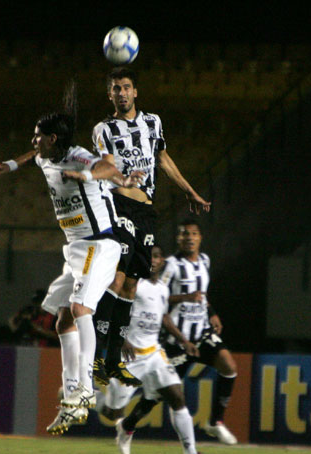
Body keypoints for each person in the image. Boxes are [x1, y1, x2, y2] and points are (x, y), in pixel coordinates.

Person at [0, 83, 143, 435]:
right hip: (74, 250)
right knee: (61, 321)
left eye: (38, 136)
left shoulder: (80, 157)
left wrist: (86, 175)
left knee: (80, 309)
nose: (33, 141)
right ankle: (73, 394)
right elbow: (32, 158)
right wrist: (8, 165)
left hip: (100, 244)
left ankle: (86, 387)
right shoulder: (45, 156)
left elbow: (107, 166)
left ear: (54, 139)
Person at [90, 66, 212, 387]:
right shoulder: (103, 128)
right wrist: (121, 178)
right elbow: (105, 165)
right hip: (119, 206)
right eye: (115, 88)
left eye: (126, 87)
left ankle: (114, 360)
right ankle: (97, 355)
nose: (121, 93)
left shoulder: (153, 122)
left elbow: (164, 160)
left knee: (131, 284)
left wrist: (190, 191)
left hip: (146, 211)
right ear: (110, 95)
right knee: (116, 279)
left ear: (135, 92)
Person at [101, 245, 217, 454]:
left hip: (154, 353)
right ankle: (86, 399)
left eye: (155, 256)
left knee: (177, 397)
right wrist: (122, 339)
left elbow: (163, 318)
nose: (151, 261)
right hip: (130, 355)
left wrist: (184, 341)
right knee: (111, 412)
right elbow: (111, 311)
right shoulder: (131, 284)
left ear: (162, 261)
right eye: (148, 257)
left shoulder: (162, 289)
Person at [160, 218, 239, 445]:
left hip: (202, 332)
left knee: (229, 366)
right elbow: (158, 295)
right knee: (157, 394)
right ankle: (125, 421)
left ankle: (216, 422)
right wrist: (185, 297)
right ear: (178, 238)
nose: (189, 238)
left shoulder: (205, 260)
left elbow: (201, 294)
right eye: (184, 234)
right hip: (177, 339)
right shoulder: (170, 264)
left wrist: (211, 312)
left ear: (200, 237)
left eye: (193, 234)